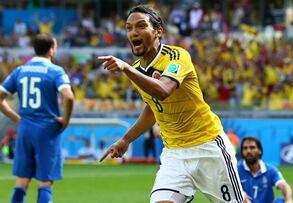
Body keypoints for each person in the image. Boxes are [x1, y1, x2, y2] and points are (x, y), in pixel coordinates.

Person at [98, 5, 245, 203]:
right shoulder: (136, 70)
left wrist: (126, 68)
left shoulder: (177, 57)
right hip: (174, 154)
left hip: (208, 148)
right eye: (129, 28)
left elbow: (163, 91)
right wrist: (126, 139)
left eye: (141, 26)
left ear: (158, 31)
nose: (134, 32)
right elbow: (153, 106)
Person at [0, 33, 74, 203]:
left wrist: (17, 119)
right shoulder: (55, 71)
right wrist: (65, 120)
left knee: (22, 180)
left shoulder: (20, 70)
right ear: (51, 50)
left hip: (25, 128)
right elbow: (69, 96)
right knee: (45, 182)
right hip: (47, 129)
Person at [237, 137, 293, 203]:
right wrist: (240, 194)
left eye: (252, 147)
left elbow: (284, 185)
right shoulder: (236, 170)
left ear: (259, 151)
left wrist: (289, 199)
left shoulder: (270, 170)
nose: (248, 151)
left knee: (280, 201)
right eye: (245, 148)